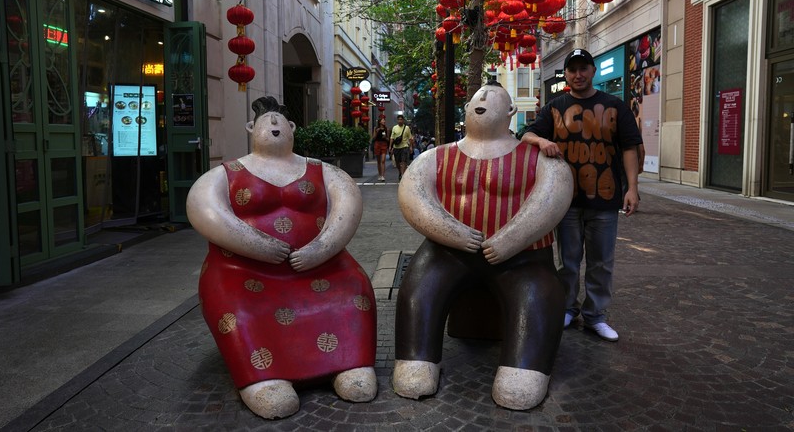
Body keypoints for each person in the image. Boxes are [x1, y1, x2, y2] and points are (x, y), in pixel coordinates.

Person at [186, 96, 377, 419]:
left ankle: (350, 363)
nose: (274, 125)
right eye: (266, 121)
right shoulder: (227, 173)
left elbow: (348, 205)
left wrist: (321, 248)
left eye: (280, 122)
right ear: (251, 128)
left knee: (353, 290)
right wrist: (256, 245)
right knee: (239, 310)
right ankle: (263, 378)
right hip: (242, 270)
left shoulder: (321, 170)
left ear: (291, 129)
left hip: (321, 267)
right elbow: (204, 208)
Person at [393, 81, 573, 410]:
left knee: (538, 295)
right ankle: (416, 358)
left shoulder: (537, 158)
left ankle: (525, 367)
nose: (484, 99)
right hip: (445, 253)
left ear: (511, 111)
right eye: (478, 97)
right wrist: (449, 231)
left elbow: (554, 194)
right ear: (466, 108)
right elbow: (413, 195)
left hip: (523, 259)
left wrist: (511, 238)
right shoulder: (436, 156)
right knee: (418, 292)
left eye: (492, 97)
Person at [522, 48, 643, 342]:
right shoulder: (554, 107)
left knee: (602, 261)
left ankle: (595, 316)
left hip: (605, 198)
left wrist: (633, 189)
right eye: (572, 69)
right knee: (568, 261)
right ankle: (567, 308)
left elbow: (630, 147)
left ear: (593, 71)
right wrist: (541, 141)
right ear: (566, 74)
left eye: (583, 69)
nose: (578, 75)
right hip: (566, 200)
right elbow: (525, 135)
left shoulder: (615, 106)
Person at [388, 114, 413, 181]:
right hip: (396, 147)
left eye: (401, 119)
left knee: (403, 161)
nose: (400, 121)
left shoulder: (407, 128)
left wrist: (410, 147)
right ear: (397, 120)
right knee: (397, 162)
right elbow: (392, 138)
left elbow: (410, 138)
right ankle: (400, 172)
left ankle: (402, 175)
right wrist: (390, 146)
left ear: (403, 120)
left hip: (404, 147)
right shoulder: (394, 128)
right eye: (399, 119)